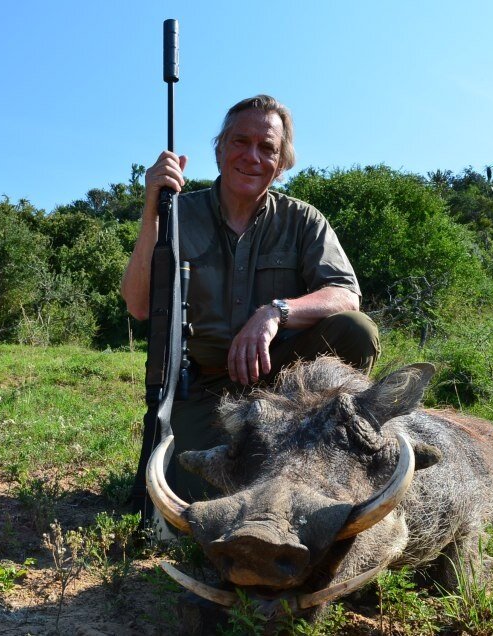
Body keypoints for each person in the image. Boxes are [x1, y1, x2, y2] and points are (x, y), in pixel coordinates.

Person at [121, 95, 380, 500]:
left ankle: (333, 448)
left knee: (354, 330)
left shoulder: (304, 219)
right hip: (205, 387)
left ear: (281, 164)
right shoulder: (175, 214)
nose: (252, 156)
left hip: (288, 386)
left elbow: (346, 295)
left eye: (267, 148)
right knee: (189, 499)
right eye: (240, 141)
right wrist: (152, 209)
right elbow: (138, 304)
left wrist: (275, 312)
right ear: (220, 149)